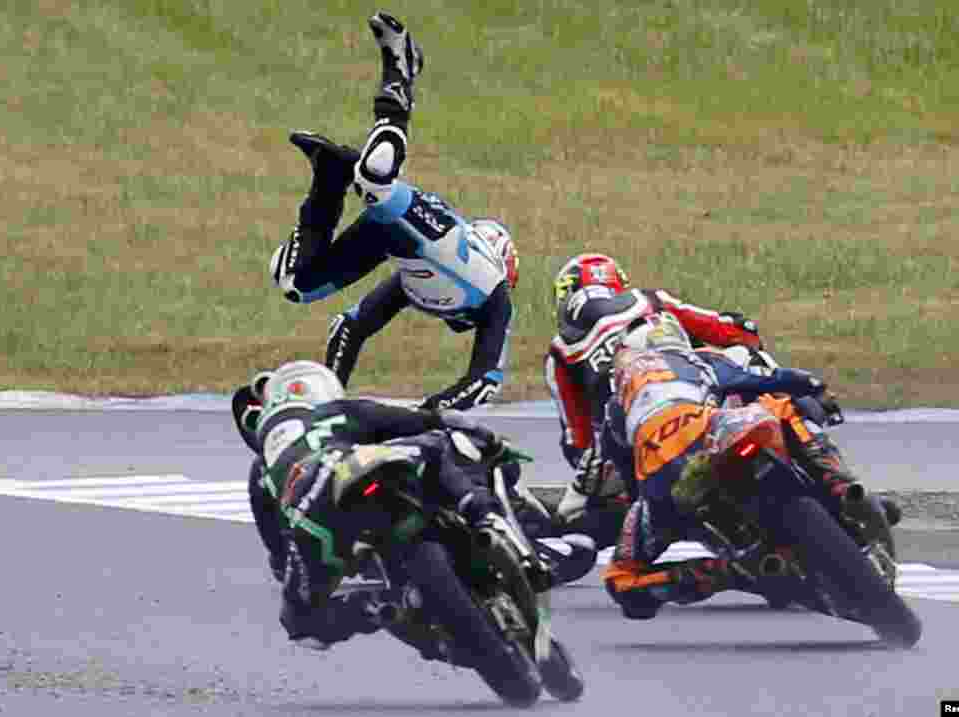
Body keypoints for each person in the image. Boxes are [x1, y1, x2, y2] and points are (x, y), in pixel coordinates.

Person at [268, 12, 519, 411]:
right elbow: (484, 382)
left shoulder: (411, 285)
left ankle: (330, 178)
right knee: (375, 179)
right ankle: (402, 67)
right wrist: (428, 415)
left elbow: (348, 328)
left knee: (296, 282)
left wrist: (328, 407)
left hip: (395, 240)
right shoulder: (494, 293)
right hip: (438, 239)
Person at [599, 312, 893, 619]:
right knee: (781, 407)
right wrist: (815, 387)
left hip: (665, 483)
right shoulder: (699, 361)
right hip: (714, 437)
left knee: (623, 582)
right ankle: (840, 484)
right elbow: (768, 380)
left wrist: (649, 509)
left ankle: (728, 571)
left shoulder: (614, 408)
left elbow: (623, 471)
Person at [232, 359, 518, 650]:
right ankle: (485, 516)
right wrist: (484, 438)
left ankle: (376, 609)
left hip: (315, 519)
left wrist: (297, 566)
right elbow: (425, 421)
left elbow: (278, 551)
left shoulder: (262, 471)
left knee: (301, 623)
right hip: (361, 476)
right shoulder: (335, 412)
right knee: (436, 445)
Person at [541, 253, 763, 546]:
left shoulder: (560, 352)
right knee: (750, 359)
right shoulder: (648, 299)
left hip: (638, 439)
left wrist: (603, 473)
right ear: (618, 283)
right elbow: (725, 329)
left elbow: (577, 440)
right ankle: (813, 453)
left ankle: (643, 520)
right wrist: (746, 334)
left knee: (572, 516)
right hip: (699, 401)